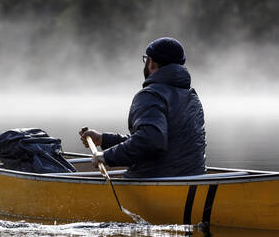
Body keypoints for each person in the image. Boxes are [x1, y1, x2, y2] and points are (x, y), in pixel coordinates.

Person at [80, 37, 206, 178]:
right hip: (195, 180)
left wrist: (106, 157)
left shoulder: (151, 95)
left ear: (151, 63)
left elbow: (150, 141)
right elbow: (155, 140)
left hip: (159, 182)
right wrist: (104, 140)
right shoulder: (192, 98)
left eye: (146, 59)